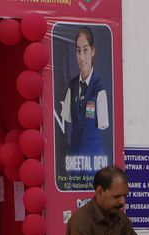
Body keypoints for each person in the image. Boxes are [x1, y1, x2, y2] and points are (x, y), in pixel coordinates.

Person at [60, 27, 110, 169]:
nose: (81, 57)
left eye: (85, 50)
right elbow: (67, 118)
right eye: (78, 50)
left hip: (93, 161)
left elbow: (102, 124)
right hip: (73, 161)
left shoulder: (99, 88)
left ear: (93, 51)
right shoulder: (72, 86)